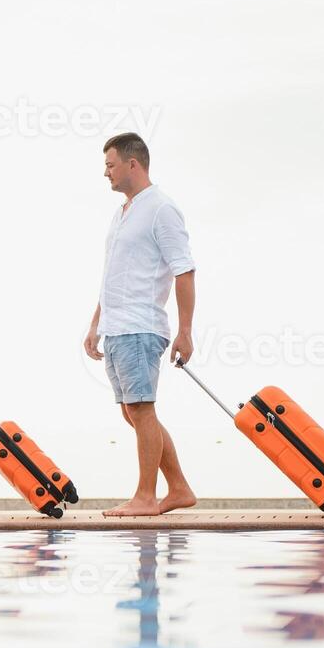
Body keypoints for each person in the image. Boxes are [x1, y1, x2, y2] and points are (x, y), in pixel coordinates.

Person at [83, 133, 198, 517]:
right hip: (116, 326)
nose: (105, 173)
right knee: (132, 411)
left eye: (110, 164)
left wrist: (185, 332)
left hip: (140, 326)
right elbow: (112, 274)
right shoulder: (123, 212)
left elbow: (184, 271)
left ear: (134, 164)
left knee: (142, 409)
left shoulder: (161, 209)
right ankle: (178, 487)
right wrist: (95, 323)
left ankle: (147, 496)